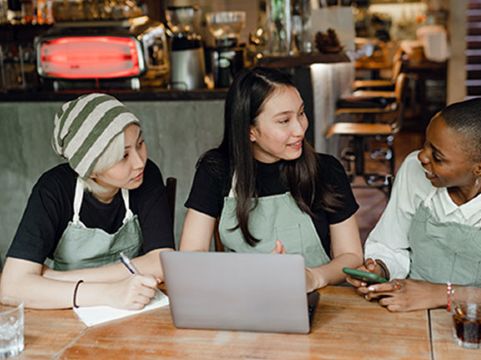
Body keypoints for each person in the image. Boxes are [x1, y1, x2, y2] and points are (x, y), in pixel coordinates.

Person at [348, 97, 481, 318]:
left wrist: (443, 295)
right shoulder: (414, 169)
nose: (422, 156)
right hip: (410, 313)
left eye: (438, 157)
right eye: (425, 144)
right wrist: (380, 268)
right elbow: (390, 244)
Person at [180, 67, 363, 292]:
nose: (299, 129)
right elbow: (191, 254)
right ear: (250, 131)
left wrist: (313, 278)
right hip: (240, 299)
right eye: (284, 121)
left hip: (319, 300)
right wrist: (250, 273)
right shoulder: (216, 170)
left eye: (301, 113)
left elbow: (351, 256)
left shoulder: (327, 170)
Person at [0, 93, 175, 310]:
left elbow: (162, 262)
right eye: (123, 156)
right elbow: (11, 287)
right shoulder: (53, 189)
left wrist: (59, 278)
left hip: (133, 305)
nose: (140, 162)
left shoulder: (146, 176)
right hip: (63, 309)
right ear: (90, 170)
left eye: (140, 143)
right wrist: (109, 293)